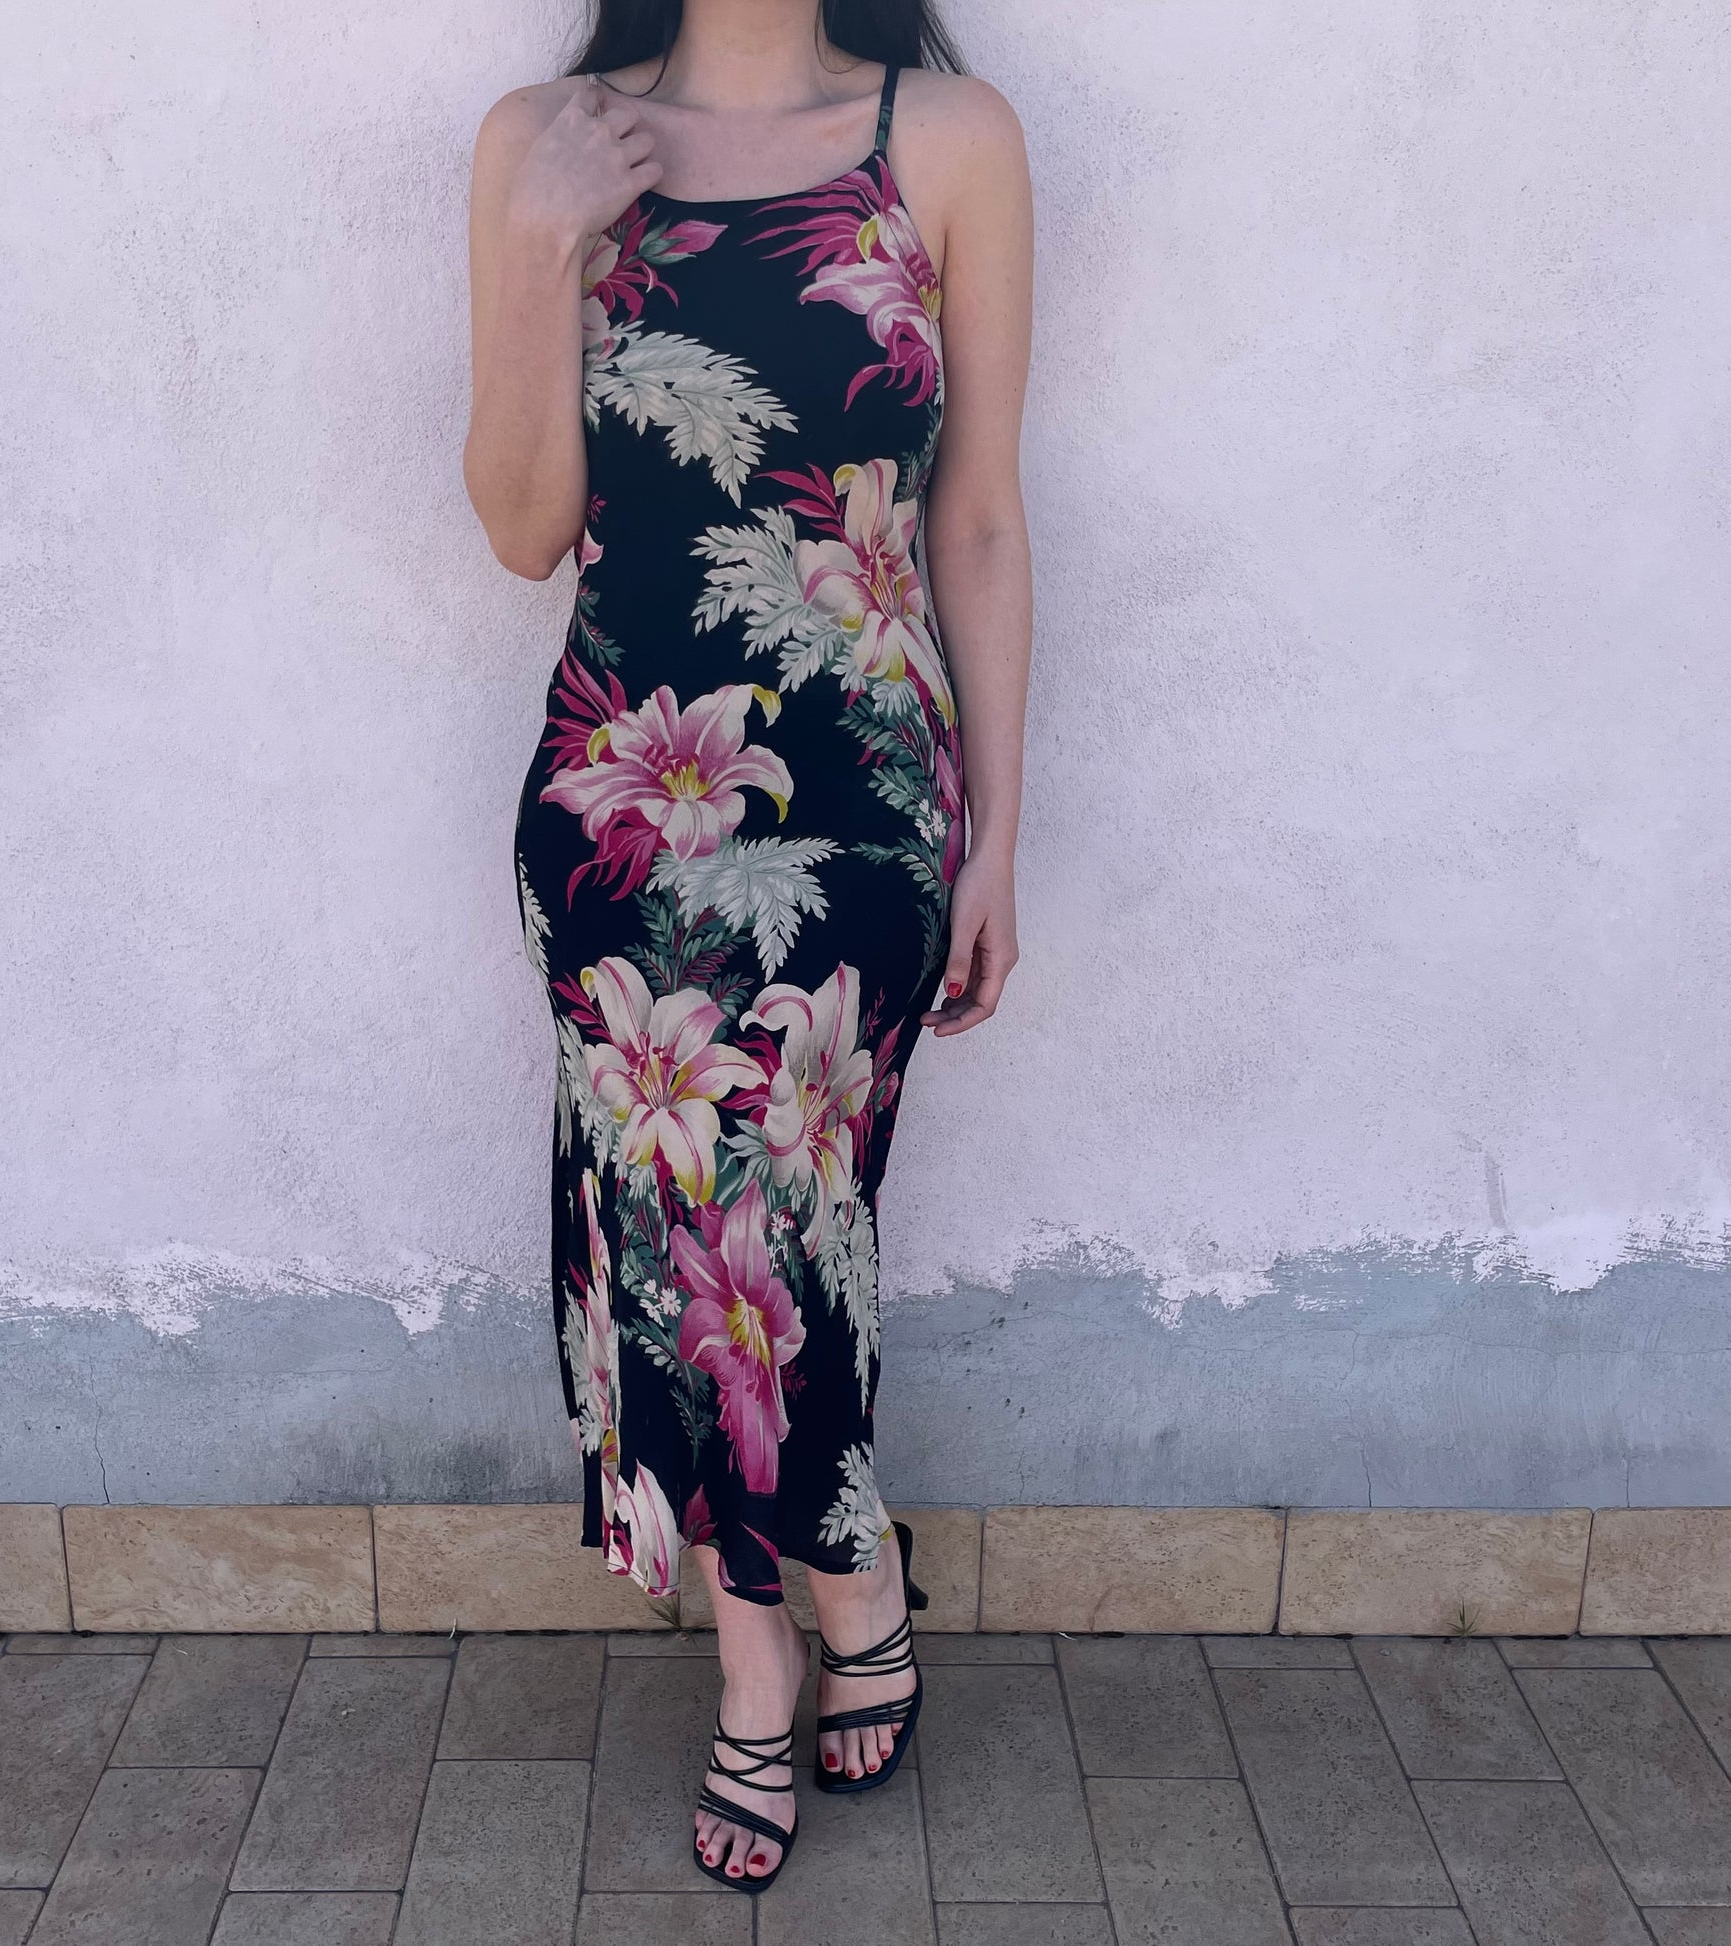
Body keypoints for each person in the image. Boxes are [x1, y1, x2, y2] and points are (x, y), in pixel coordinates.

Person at [464, 0, 1033, 1890]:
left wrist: (998, 836)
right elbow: (522, 528)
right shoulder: (542, 141)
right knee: (668, 1224)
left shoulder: (945, 139)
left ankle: (842, 1566)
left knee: (783, 1212)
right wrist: (542, 242)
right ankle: (775, 1632)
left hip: (863, 788)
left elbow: (977, 515)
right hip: (621, 786)